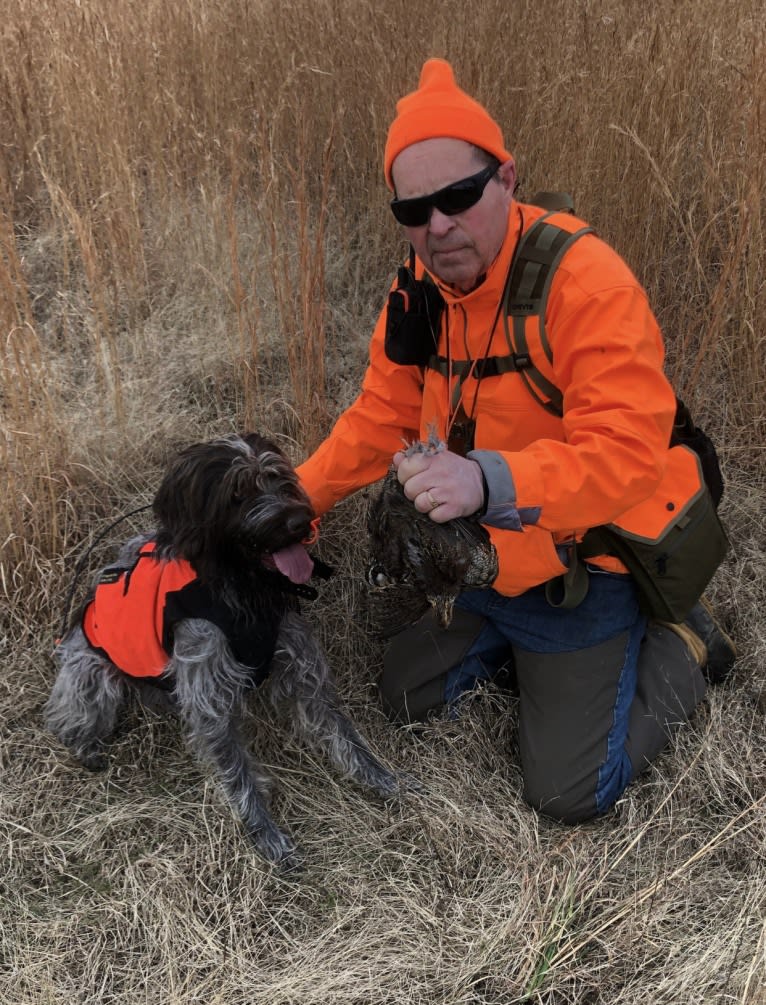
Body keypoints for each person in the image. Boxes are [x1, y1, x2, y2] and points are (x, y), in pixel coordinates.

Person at [296, 58, 735, 824]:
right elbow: (379, 416)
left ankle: (681, 642)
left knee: (567, 793)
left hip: (584, 558)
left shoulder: (585, 281)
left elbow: (629, 454)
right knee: (403, 694)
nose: (437, 226)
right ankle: (531, 653)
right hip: (487, 557)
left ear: (506, 177)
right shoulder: (419, 289)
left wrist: (488, 482)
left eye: (460, 197)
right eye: (415, 209)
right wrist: (296, 504)